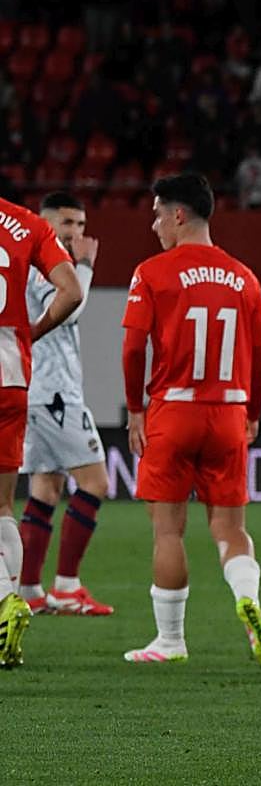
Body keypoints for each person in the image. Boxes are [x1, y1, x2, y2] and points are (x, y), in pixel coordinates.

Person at [121, 173, 261, 667]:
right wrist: (252, 413)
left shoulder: (153, 272)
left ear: (178, 214)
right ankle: (248, 599)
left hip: (174, 409)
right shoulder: (244, 276)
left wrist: (133, 410)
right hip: (229, 412)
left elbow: (132, 349)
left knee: (168, 531)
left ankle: (170, 641)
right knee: (231, 529)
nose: (153, 225)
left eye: (157, 214)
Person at [17, 192, 113, 616]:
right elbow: (71, 309)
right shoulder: (44, 263)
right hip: (55, 395)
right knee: (95, 483)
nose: (76, 233)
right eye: (67, 224)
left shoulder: (35, 262)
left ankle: (30, 591)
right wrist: (86, 265)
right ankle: (68, 587)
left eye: (80, 224)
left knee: (45, 489)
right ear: (46, 224)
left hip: (37, 390)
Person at [0, 196, 82, 668]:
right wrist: (30, 332)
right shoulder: (28, 224)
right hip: (11, 378)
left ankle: (5, 604)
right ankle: (10, 606)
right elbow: (71, 290)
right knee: (2, 507)